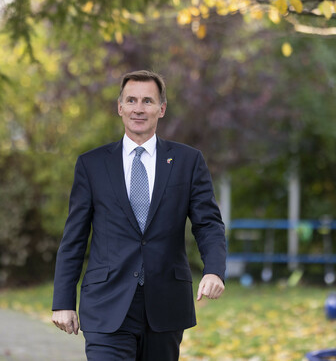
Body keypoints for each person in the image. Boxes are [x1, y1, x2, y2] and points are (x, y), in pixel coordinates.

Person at [51, 70, 227, 360]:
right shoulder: (92, 164)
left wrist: (214, 269)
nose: (138, 108)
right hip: (106, 304)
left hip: (166, 304)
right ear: (119, 107)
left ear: (162, 109)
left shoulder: (188, 161)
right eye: (131, 100)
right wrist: (63, 302)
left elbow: (208, 223)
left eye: (147, 101)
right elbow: (74, 238)